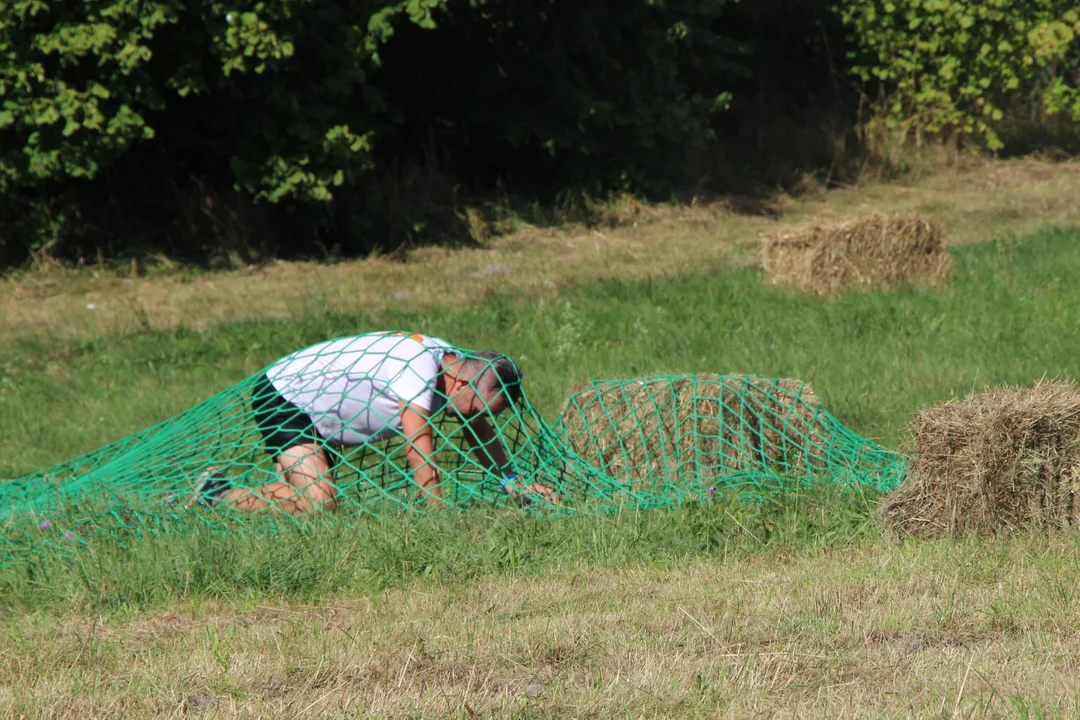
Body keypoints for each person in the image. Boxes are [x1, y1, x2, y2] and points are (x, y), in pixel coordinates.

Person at [192, 331, 558, 514]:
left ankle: (274, 483)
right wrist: (440, 517)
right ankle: (217, 494)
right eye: (479, 408)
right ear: (463, 383)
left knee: (308, 505)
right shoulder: (420, 367)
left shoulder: (455, 366)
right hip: (287, 395)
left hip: (319, 410)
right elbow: (418, 449)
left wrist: (513, 482)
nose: (478, 419)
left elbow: (479, 431)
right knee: (320, 504)